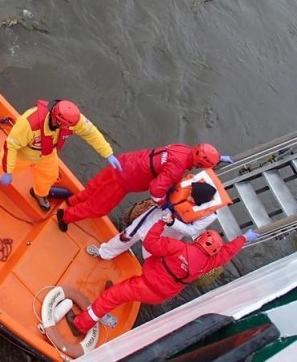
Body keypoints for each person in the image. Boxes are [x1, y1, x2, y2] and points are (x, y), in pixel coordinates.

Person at [67, 213, 260, 335]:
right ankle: (114, 300)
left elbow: (150, 242)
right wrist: (244, 238)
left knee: (110, 298)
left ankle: (81, 324)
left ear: (200, 239)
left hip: (146, 283)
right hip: (160, 295)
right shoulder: (210, 262)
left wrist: (161, 223)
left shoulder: (180, 247)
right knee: (127, 290)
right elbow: (227, 253)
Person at [0, 99, 121, 212]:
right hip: (21, 155)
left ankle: (39, 193)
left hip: (46, 155)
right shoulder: (29, 123)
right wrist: (8, 170)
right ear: (58, 120)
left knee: (50, 176)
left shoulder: (74, 120)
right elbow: (11, 146)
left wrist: (107, 153)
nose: (72, 129)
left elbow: (91, 133)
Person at [57, 142, 234, 231]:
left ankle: (72, 200)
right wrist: (163, 204)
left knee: (94, 187)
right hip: (125, 179)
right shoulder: (176, 168)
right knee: (99, 207)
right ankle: (65, 216)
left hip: (124, 162)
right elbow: (156, 189)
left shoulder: (183, 149)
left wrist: (218, 159)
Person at [87, 178, 226, 260]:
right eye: (189, 193)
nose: (188, 196)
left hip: (169, 232)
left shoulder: (209, 215)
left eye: (192, 197)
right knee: (128, 234)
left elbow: (192, 230)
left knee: (150, 256)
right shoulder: (189, 185)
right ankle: (104, 252)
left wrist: (172, 222)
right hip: (155, 216)